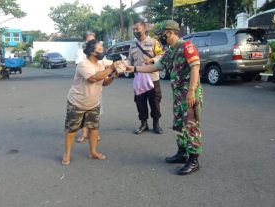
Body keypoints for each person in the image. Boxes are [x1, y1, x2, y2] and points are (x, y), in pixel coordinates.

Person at [125, 20, 203, 175]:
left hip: (189, 95)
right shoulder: (171, 50)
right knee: (179, 125)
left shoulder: (187, 46)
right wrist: (133, 68)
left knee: (191, 126)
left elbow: (195, 67)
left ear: (170, 32)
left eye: (162, 34)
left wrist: (192, 91)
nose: (161, 38)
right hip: (179, 95)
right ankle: (182, 153)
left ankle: (194, 160)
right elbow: (156, 66)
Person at [62, 39, 118, 165]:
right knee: (72, 130)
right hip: (77, 103)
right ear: (92, 52)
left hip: (93, 103)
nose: (102, 51)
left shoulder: (99, 65)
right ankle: (67, 154)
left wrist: (113, 76)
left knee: (94, 129)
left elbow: (104, 82)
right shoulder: (83, 65)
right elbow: (93, 78)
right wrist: (112, 68)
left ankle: (93, 152)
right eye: (99, 49)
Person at [127, 19, 164, 135]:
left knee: (155, 101)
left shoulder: (154, 42)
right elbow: (129, 59)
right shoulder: (132, 45)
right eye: (133, 29)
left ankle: (156, 124)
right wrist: (125, 65)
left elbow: (162, 55)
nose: (135, 31)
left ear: (144, 28)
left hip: (152, 78)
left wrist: (152, 60)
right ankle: (143, 124)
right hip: (139, 79)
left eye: (137, 28)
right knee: (140, 102)